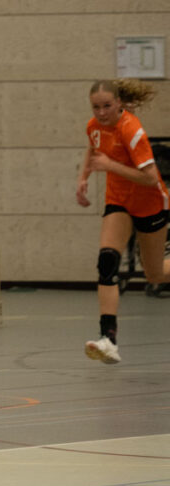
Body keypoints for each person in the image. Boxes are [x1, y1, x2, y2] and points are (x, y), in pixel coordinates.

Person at [76, 79, 170, 364]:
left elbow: (150, 178)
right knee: (107, 260)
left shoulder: (131, 129)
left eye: (107, 106)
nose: (101, 112)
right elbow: (93, 149)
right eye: (96, 107)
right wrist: (83, 178)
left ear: (119, 103)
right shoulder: (94, 126)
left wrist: (110, 166)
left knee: (155, 275)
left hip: (150, 204)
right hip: (119, 201)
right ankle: (109, 340)